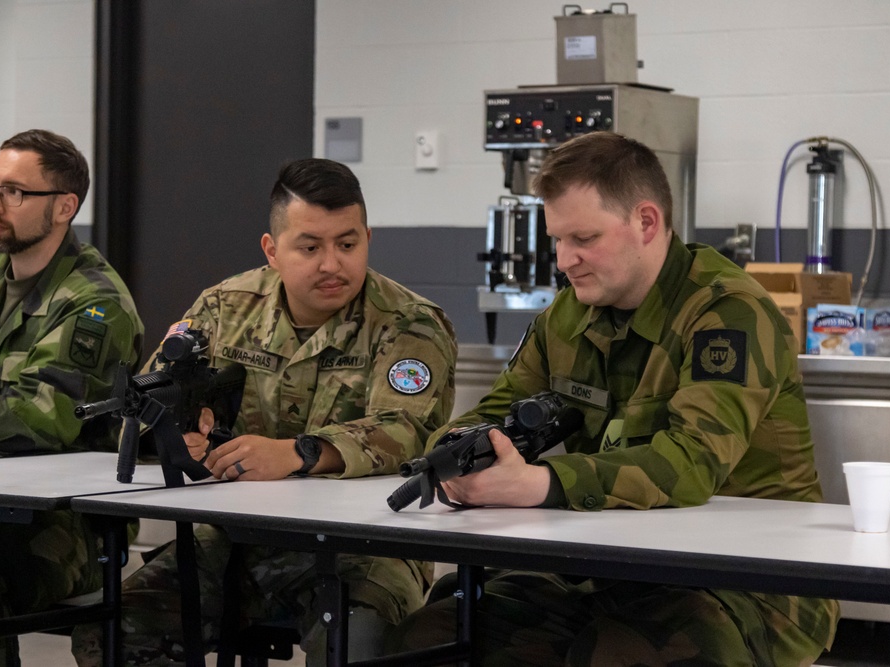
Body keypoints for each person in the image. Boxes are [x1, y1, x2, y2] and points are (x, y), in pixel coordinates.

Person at [389, 131, 839, 666]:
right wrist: (459, 454)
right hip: (609, 564)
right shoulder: (569, 314)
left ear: (646, 222)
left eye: (583, 238)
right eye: (557, 239)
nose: (564, 260)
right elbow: (493, 412)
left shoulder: (727, 313)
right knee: (437, 635)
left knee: (618, 654)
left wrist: (538, 483)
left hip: (749, 579)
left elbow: (692, 462)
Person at [72, 157, 457, 666]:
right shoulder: (225, 307)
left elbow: (407, 430)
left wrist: (298, 453)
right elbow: (154, 395)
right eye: (310, 246)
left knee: (357, 643)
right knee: (111, 632)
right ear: (272, 251)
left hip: (365, 546)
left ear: (368, 237)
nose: (331, 264)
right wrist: (175, 435)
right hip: (238, 538)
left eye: (347, 244)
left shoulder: (409, 323)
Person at [0, 129, 144, 665]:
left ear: (64, 206)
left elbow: (39, 416)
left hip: (66, 527)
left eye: (15, 192)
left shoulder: (95, 302)